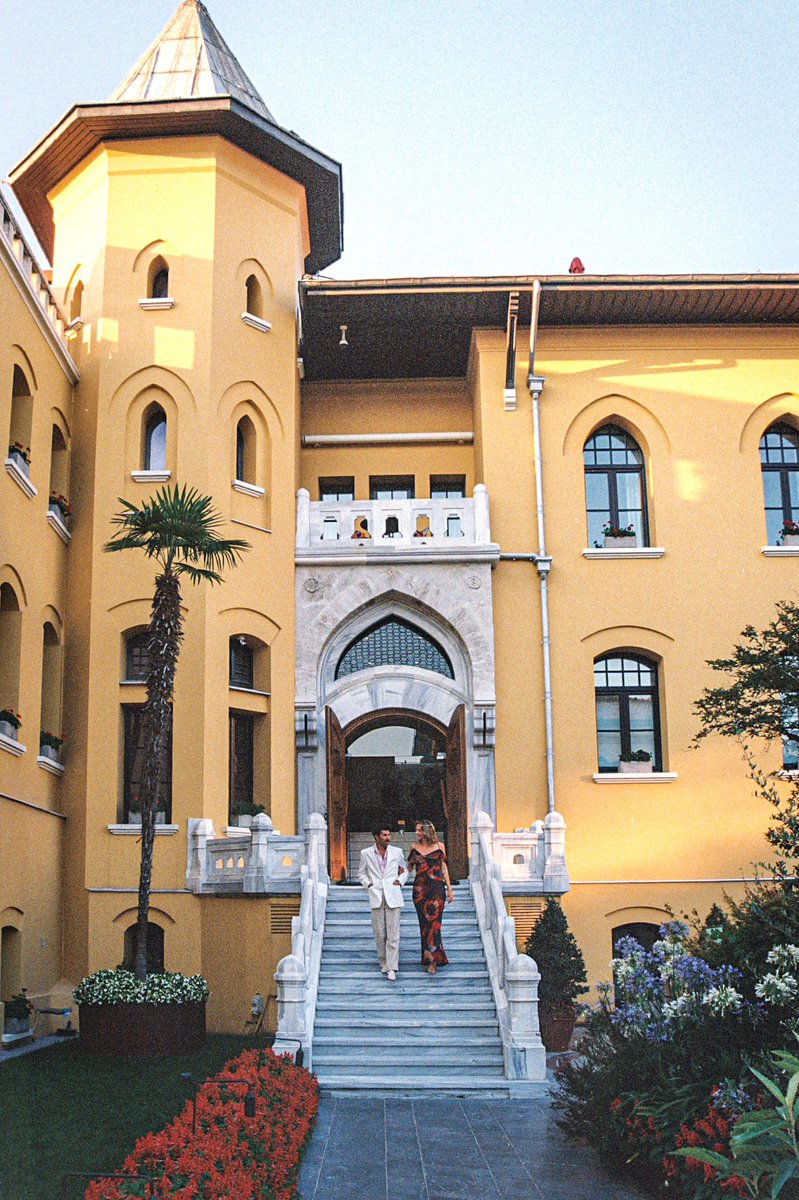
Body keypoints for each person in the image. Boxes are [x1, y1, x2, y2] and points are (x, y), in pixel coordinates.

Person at [357, 826, 406, 981]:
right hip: (376, 894)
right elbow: (361, 873)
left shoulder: (397, 852)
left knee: (393, 933)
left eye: (389, 835)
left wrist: (400, 881)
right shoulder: (366, 853)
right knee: (379, 932)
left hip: (393, 894)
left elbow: (404, 870)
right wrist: (368, 885)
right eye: (384, 835)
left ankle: (392, 967)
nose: (388, 838)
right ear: (376, 837)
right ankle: (383, 961)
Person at [407, 820, 454, 974]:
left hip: (437, 889)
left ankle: (433, 960)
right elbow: (408, 868)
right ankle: (428, 957)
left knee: (435, 925)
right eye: (416, 830)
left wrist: (450, 889)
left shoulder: (440, 846)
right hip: (420, 890)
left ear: (426, 831)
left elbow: (444, 867)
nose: (417, 833)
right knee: (424, 925)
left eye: (419, 830)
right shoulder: (414, 848)